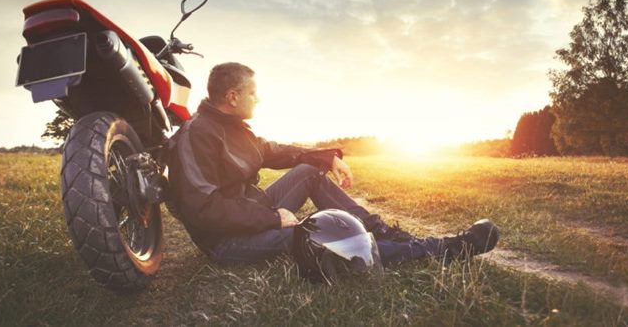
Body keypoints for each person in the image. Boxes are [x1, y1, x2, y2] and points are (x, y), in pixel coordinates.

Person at [167, 62, 499, 268]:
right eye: (254, 93)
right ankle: (438, 250)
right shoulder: (197, 134)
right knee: (318, 236)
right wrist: (271, 218)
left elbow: (275, 150)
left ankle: (380, 229)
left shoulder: (234, 128)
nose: (259, 100)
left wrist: (328, 157)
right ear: (232, 97)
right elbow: (204, 210)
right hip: (227, 241)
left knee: (309, 172)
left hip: (253, 212)